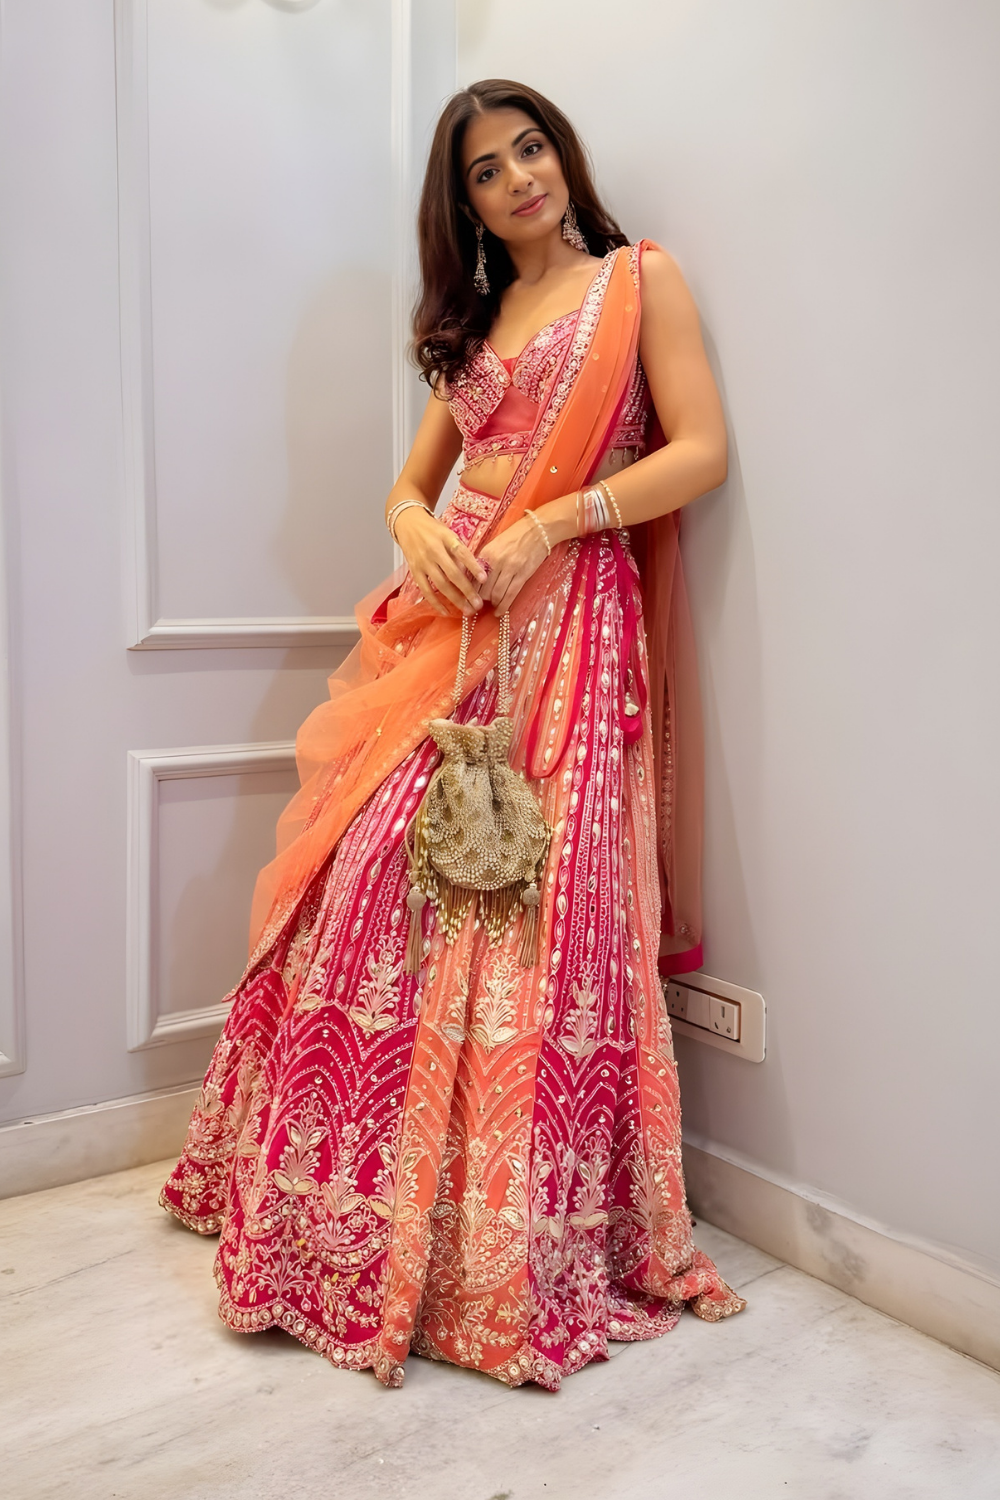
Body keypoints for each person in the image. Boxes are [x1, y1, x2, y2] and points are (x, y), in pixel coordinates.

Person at [161, 78, 746, 1390]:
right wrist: (416, 527)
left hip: (570, 626)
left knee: (540, 905)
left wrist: (553, 521)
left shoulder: (638, 282)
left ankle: (506, 1245)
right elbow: (410, 484)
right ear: (466, 203)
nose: (520, 178)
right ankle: (347, 1207)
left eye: (532, 149)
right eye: (488, 170)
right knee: (372, 878)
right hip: (449, 625)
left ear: (564, 157)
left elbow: (700, 449)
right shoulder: (476, 318)